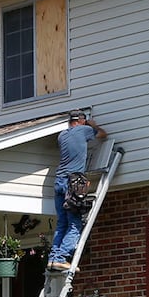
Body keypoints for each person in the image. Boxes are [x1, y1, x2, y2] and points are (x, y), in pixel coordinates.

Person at [48, 110, 108, 271]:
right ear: (81, 121)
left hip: (59, 181)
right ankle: (61, 258)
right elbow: (103, 135)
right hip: (72, 182)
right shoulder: (84, 130)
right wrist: (93, 125)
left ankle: (53, 258)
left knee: (62, 223)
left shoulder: (62, 135)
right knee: (74, 224)